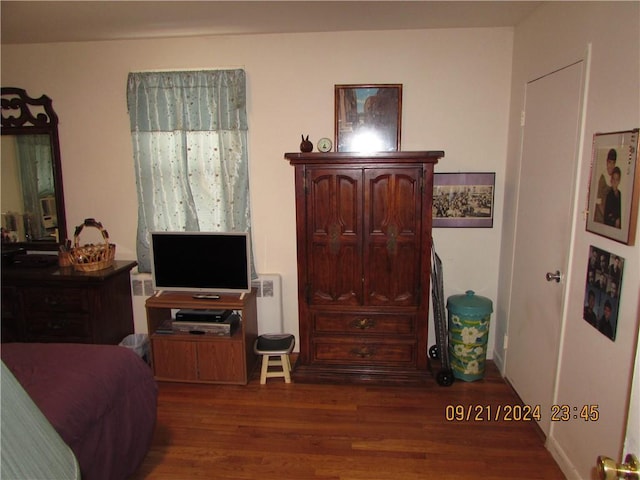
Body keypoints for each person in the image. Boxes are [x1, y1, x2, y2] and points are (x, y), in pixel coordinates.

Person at [594, 148, 617, 224]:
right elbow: (598, 202)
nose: (611, 166)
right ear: (606, 163)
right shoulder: (602, 178)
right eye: (609, 162)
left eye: (613, 163)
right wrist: (606, 216)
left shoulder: (613, 178)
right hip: (600, 218)